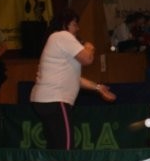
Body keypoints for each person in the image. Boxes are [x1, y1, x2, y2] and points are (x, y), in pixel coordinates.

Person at [30, 8, 116, 149]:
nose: (78, 28)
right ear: (65, 25)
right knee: (66, 148)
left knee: (56, 147)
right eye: (75, 24)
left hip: (45, 100)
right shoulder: (62, 35)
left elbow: (75, 78)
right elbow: (87, 59)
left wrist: (98, 87)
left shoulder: (56, 40)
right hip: (55, 100)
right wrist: (89, 47)